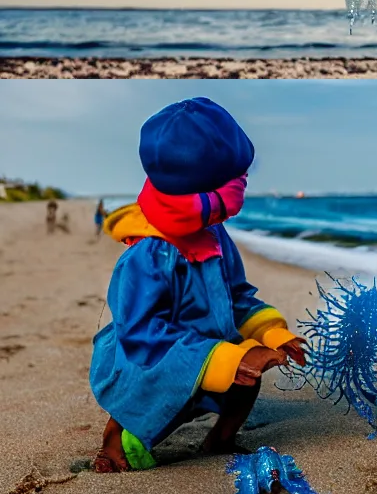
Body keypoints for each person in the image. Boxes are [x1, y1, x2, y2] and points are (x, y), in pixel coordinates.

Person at [90, 97, 306, 472]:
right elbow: (140, 334)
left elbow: (237, 295)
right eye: (237, 179)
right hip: (148, 360)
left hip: (208, 343)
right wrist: (222, 359)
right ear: (206, 192)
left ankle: (220, 439)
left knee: (247, 373)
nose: (244, 183)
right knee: (155, 405)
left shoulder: (215, 236)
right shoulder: (149, 254)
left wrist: (271, 332)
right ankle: (113, 443)